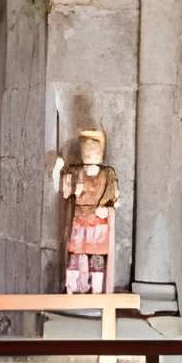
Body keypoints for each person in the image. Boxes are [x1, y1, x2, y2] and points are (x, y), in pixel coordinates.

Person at [52, 126, 118, 295]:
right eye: (86, 151)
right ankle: (73, 289)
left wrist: (107, 207)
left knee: (96, 260)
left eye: (93, 150)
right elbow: (66, 193)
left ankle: (97, 292)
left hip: (97, 221)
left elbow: (114, 196)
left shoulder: (107, 173)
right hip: (79, 219)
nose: (89, 155)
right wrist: (58, 171)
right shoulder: (75, 171)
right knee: (75, 257)